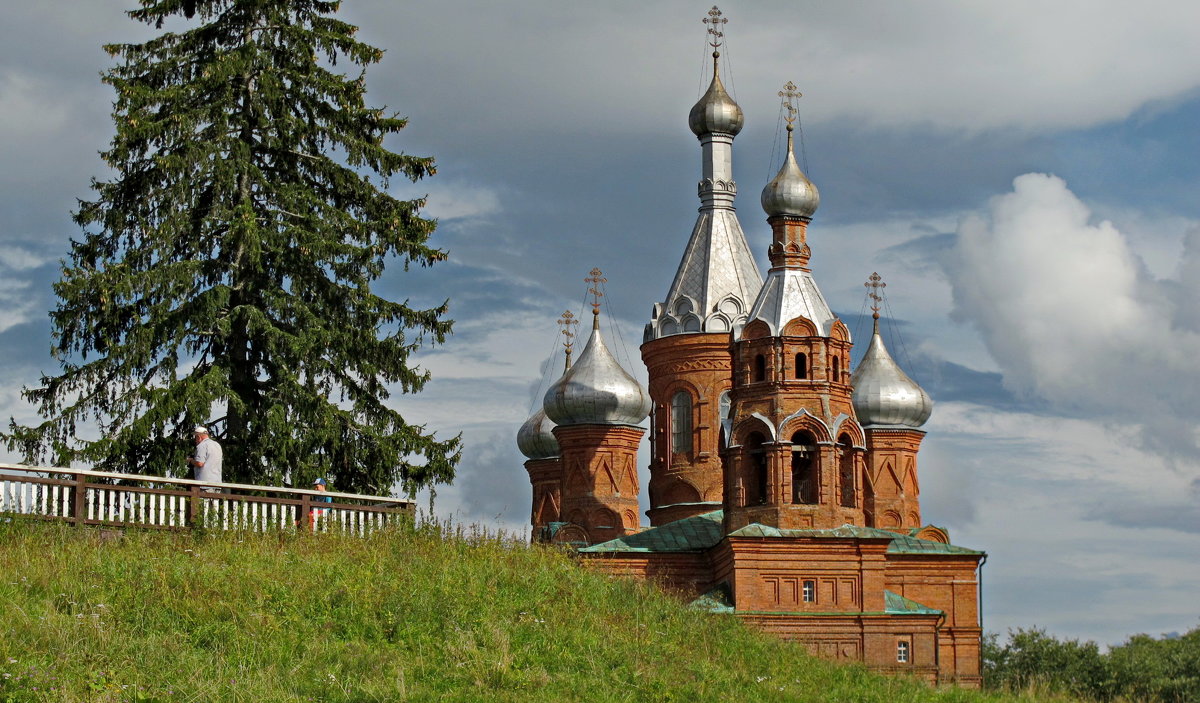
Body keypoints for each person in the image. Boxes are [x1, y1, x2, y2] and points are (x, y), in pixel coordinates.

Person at [187, 426, 223, 491]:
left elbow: (200, 463)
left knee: (203, 501)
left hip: (204, 484)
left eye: (195, 437)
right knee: (215, 501)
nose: (195, 440)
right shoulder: (217, 445)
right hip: (217, 483)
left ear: (199, 437)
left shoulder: (202, 446)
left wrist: (191, 460)